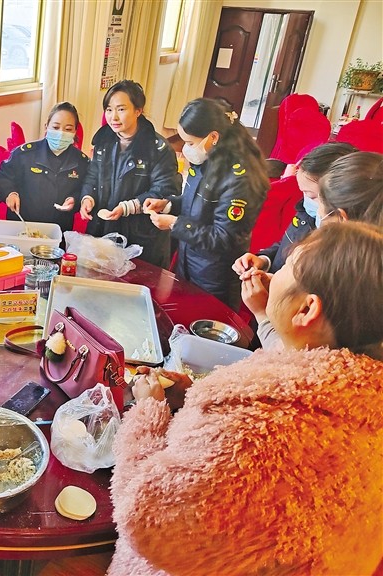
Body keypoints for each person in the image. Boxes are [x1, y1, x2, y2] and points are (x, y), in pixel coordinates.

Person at [109, 221, 383, 576]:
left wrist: (149, 410)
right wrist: (192, 397)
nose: (271, 275)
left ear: (306, 310)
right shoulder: (357, 403)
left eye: (286, 268)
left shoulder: (258, 429)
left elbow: (145, 517)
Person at [240, 150, 383, 349]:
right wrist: (282, 283)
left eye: (315, 198)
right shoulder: (364, 264)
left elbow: (299, 354)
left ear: (340, 217)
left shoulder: (337, 271)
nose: (312, 208)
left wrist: (263, 315)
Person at [144, 98, 269, 309]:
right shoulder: (206, 159)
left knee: (205, 320)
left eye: (191, 143)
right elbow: (196, 202)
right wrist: (168, 205)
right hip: (189, 261)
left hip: (215, 275)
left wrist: (174, 223)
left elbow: (224, 237)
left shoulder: (240, 178)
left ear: (213, 137)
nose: (186, 149)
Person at [78, 80, 180, 268]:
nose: (113, 117)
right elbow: (92, 176)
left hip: (141, 236)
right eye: (109, 110)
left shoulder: (158, 149)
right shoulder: (103, 141)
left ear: (138, 111)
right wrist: (87, 198)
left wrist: (127, 207)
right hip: (104, 229)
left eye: (121, 109)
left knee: (138, 281)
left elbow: (164, 190)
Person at [233, 142, 357, 276]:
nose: (305, 200)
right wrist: (264, 260)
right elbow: (286, 244)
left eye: (311, 195)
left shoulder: (345, 251)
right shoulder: (305, 212)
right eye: (302, 192)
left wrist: (273, 284)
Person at [0, 102, 90, 233]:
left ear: (75, 131)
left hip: (58, 230)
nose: (61, 133)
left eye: (68, 129)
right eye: (55, 127)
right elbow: (1, 177)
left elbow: (86, 189)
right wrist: (10, 193)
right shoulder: (25, 154)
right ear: (46, 127)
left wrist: (75, 200)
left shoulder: (81, 161)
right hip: (22, 226)